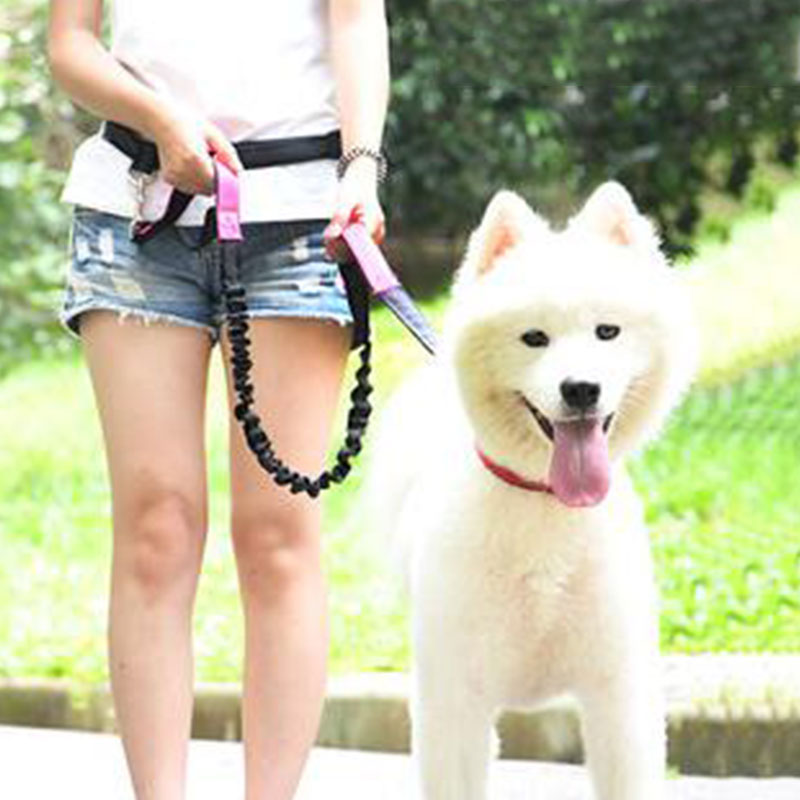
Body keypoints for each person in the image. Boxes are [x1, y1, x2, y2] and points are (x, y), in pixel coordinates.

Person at [46, 1, 389, 798]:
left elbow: (355, 19)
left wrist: (362, 166)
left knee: (277, 537)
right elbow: (70, 43)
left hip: (304, 218)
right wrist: (158, 116)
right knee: (155, 528)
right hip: (136, 207)